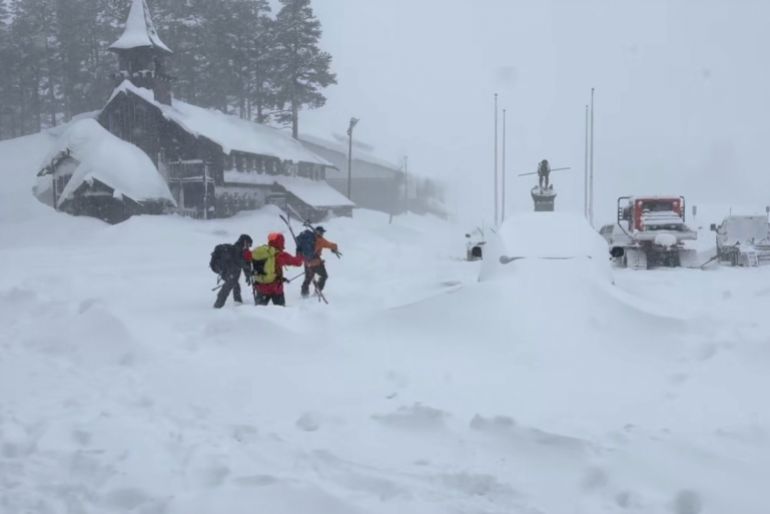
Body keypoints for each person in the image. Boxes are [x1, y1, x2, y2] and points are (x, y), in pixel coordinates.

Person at [251, 232, 304, 306]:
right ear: (281, 242)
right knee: (280, 311)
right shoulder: (280, 255)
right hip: (276, 289)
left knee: (258, 311)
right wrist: (299, 252)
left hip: (260, 287)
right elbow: (298, 262)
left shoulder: (262, 253)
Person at [212, 234, 253, 309]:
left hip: (230, 271)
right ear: (245, 242)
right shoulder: (237, 248)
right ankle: (218, 306)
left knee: (235, 285)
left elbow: (243, 261)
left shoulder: (241, 249)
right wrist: (247, 268)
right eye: (249, 244)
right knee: (228, 286)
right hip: (228, 271)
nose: (249, 246)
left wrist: (247, 274)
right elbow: (239, 261)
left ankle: (237, 303)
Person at [300, 226, 340, 298]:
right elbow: (330, 245)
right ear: (318, 232)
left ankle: (304, 294)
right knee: (324, 276)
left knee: (308, 279)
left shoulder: (307, 239)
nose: (322, 234)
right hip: (316, 263)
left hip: (307, 262)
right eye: (322, 232)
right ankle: (317, 292)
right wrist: (335, 248)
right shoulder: (320, 240)